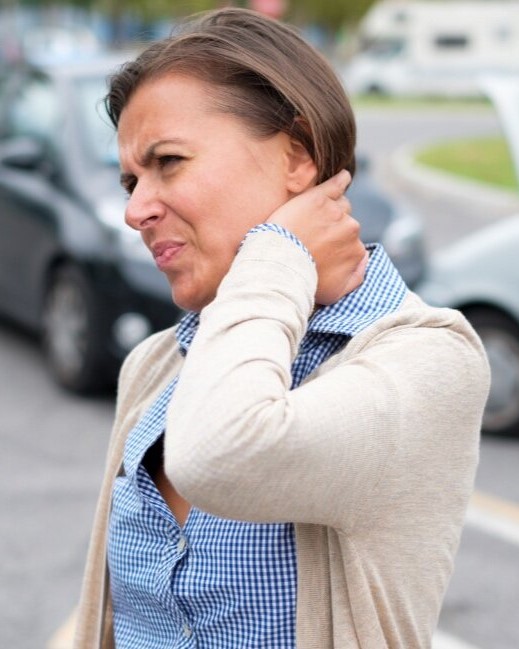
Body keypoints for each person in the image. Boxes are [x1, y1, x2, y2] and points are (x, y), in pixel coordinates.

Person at [73, 8, 490, 649]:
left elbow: (224, 454)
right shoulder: (156, 363)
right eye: (130, 180)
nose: (134, 210)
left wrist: (279, 251)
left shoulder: (428, 356)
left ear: (297, 155)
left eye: (169, 162)